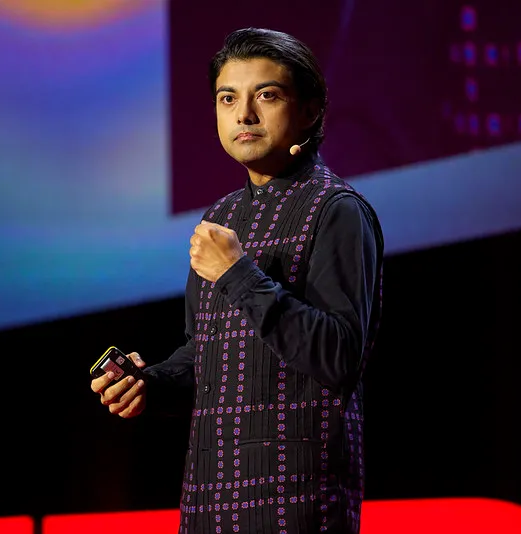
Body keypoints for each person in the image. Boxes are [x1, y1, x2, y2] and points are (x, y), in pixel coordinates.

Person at [91, 27, 384, 534]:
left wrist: (237, 273)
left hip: (296, 500)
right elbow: (208, 355)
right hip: (210, 498)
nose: (244, 114)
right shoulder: (221, 217)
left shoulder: (337, 210)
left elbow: (339, 356)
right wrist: (149, 383)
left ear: (311, 110)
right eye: (229, 98)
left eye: (266, 95)